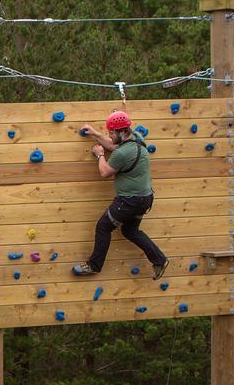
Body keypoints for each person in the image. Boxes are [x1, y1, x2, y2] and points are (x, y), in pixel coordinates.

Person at [72, 111, 168, 279]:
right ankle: (159, 259)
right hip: (145, 198)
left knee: (103, 226)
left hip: (129, 201)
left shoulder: (122, 154)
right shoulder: (136, 137)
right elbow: (112, 145)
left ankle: (94, 266)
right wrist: (95, 133)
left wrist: (100, 155)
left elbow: (104, 172)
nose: (110, 135)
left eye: (112, 132)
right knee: (130, 230)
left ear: (122, 132)